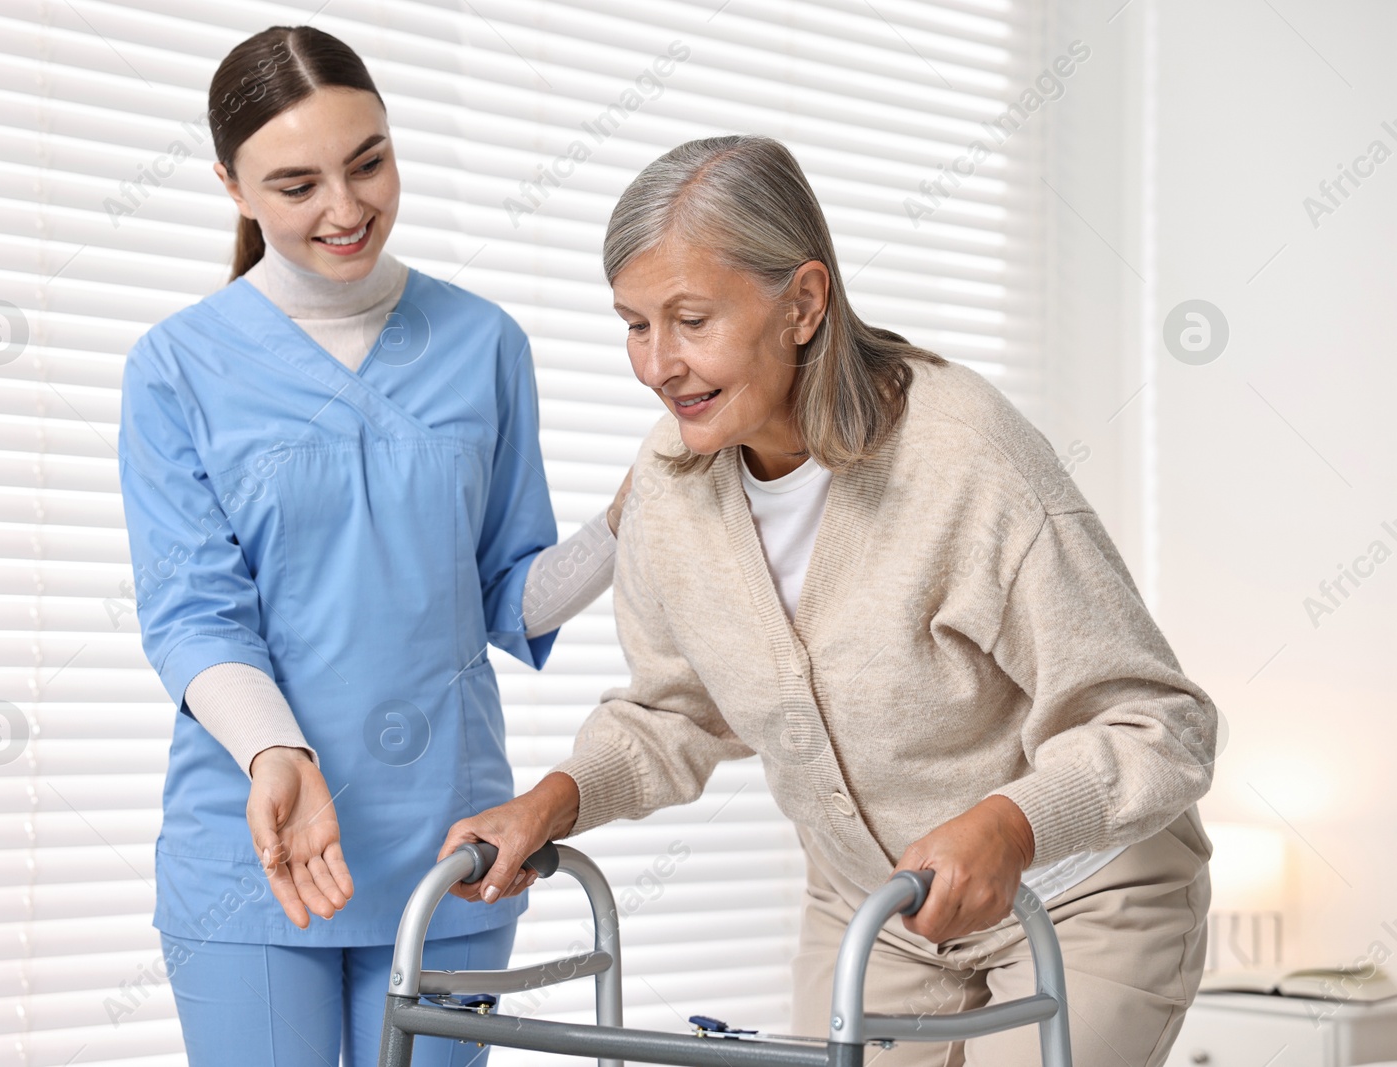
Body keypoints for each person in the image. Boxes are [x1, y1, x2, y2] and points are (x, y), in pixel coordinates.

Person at [439, 134, 1218, 1066]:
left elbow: (1159, 722)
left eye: (691, 319)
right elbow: (675, 710)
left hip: (1081, 890)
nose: (657, 365)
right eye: (635, 324)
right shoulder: (670, 480)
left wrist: (1011, 823)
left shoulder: (964, 455)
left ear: (803, 303)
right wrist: (553, 802)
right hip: (879, 910)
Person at [117, 25, 628, 1067]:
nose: (346, 210)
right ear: (231, 185)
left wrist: (632, 523)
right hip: (255, 842)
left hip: (450, 840)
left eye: (369, 162)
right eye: (297, 184)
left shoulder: (484, 342)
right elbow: (192, 613)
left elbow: (505, 592)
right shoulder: (176, 367)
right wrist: (278, 749)